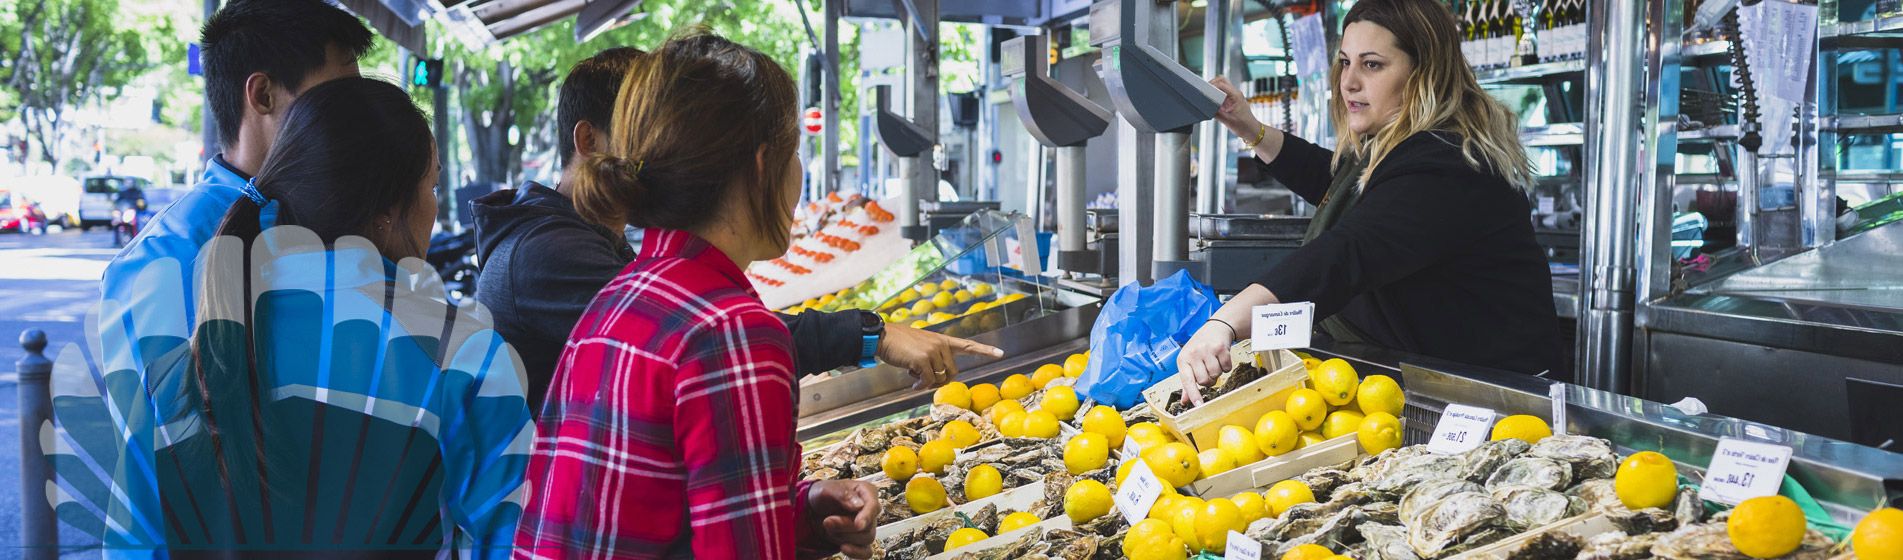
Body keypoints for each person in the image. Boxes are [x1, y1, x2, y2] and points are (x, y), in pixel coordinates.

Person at [513, 32, 878, 559]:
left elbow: (659, 510)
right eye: (794, 151)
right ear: (762, 165)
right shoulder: (732, 332)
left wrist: (801, 511)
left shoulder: (622, 295)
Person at [472, 47, 1000, 407]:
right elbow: (715, 340)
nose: (663, 157)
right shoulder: (547, 254)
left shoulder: (617, 254)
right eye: (648, 135)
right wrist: (868, 335)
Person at [1176, 0, 1564, 401]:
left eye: (1372, 64)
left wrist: (1226, 322)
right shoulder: (1402, 149)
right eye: (1346, 62)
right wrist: (1249, 127)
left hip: (1500, 400)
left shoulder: (1448, 162)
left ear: (1424, 73)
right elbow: (1334, 182)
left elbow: (1346, 252)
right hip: (1440, 379)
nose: (1349, 82)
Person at [97, 0, 370, 384]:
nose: (356, 119)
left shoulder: (324, 217)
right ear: (263, 95)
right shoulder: (167, 261)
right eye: (337, 99)